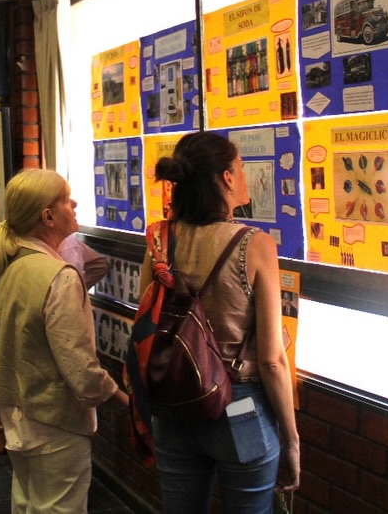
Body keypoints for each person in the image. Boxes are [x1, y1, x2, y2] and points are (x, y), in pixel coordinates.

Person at [138, 131, 300, 513]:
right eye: (241, 167)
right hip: (239, 405)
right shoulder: (254, 244)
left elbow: (144, 327)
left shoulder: (160, 241)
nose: (243, 175)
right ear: (227, 178)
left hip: (175, 403)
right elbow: (272, 360)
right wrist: (291, 438)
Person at [0, 169, 128, 514]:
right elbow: (80, 369)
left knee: (26, 503)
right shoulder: (58, 276)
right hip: (55, 422)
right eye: (66, 199)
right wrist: (125, 401)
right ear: (47, 216)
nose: (75, 203)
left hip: (14, 414)